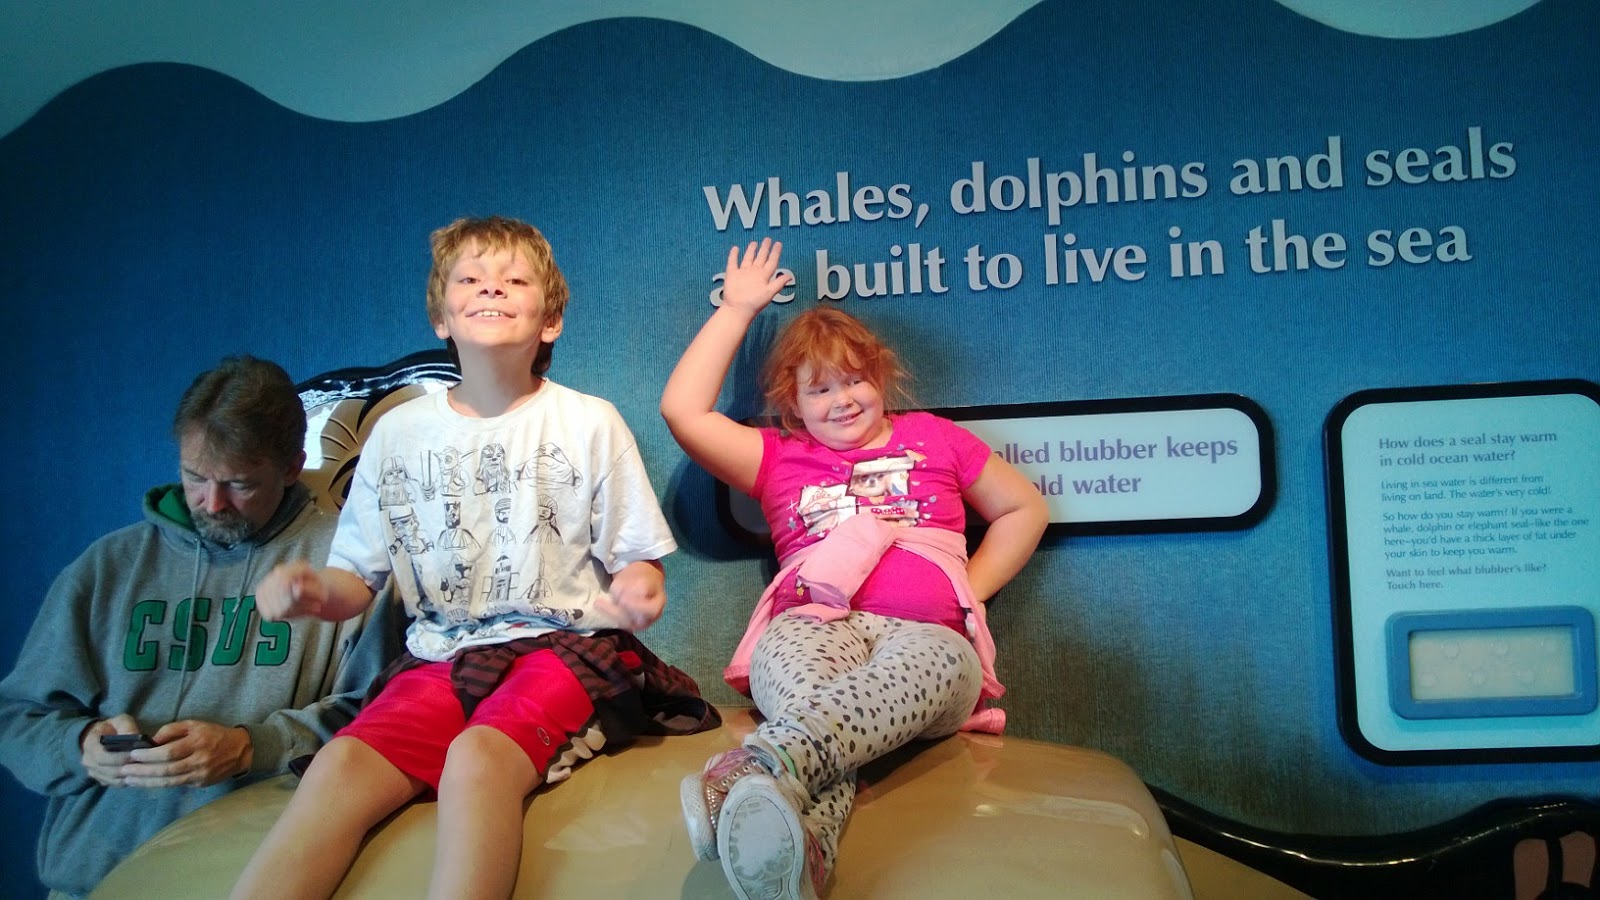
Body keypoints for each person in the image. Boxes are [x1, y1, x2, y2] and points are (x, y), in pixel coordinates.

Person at [231, 216, 713, 900]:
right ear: (441, 316)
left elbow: (639, 560)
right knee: (338, 766)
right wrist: (312, 591)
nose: (492, 288)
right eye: (471, 279)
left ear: (550, 321)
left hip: (563, 647)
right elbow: (355, 582)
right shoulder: (396, 434)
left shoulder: (588, 421)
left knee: (476, 757)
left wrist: (641, 590)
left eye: (514, 280)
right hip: (439, 655)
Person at [661, 239, 1049, 899]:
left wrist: (969, 591)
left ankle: (755, 766)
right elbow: (683, 412)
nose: (842, 399)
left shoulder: (935, 436)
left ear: (881, 379)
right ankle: (797, 853)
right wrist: (737, 309)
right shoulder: (778, 456)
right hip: (811, 626)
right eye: (820, 388)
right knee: (824, 713)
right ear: (793, 402)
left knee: (916, 671)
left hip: (929, 645)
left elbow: (1024, 508)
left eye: (855, 380)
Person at [0, 355, 403, 899]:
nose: (211, 503)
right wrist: (80, 746)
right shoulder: (108, 566)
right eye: (194, 477)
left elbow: (379, 721)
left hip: (254, 879)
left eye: (239, 484)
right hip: (91, 881)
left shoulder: (347, 571)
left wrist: (251, 747)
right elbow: (17, 718)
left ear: (292, 467)